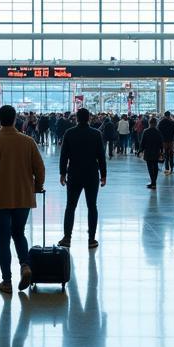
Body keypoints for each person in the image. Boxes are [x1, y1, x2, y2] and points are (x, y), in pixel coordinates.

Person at [0, 104, 45, 295]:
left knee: (3, 239)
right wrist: (36, 187)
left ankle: (7, 282)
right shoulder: (28, 142)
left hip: (0, 198)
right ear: (15, 120)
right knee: (19, 233)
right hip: (22, 196)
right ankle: (25, 265)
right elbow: (40, 168)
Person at [58, 106, 107, 249]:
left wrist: (62, 173)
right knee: (92, 206)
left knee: (70, 206)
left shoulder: (69, 133)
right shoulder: (96, 134)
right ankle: (91, 239)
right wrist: (103, 175)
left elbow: (64, 156)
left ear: (76, 118)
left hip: (74, 173)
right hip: (92, 174)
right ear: (89, 118)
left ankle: (67, 238)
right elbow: (101, 157)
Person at [140, 116, 163, 188]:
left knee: (150, 167)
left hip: (148, 151)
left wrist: (140, 150)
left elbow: (143, 142)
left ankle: (153, 182)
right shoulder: (158, 132)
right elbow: (161, 142)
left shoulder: (146, 131)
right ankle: (154, 182)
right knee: (155, 166)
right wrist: (161, 151)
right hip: (156, 151)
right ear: (156, 124)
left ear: (149, 123)